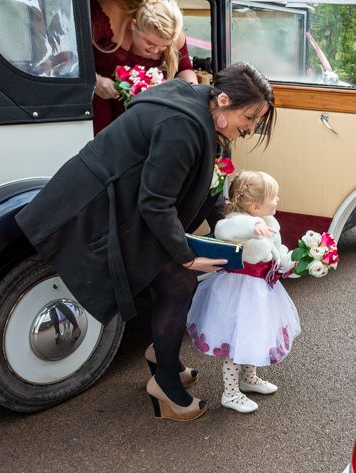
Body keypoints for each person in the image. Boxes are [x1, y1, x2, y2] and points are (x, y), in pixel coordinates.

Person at [15, 62, 276, 421]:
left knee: (170, 282)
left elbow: (197, 189)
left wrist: (235, 226)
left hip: (124, 203)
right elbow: (156, 202)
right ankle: (164, 381)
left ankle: (162, 357)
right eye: (249, 118)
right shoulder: (184, 127)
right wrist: (187, 256)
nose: (250, 128)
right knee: (179, 282)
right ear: (225, 100)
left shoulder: (200, 102)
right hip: (94, 206)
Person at [187, 171, 301, 414]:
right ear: (255, 205)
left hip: (262, 290)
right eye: (274, 196)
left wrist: (297, 261)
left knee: (253, 335)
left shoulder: (270, 223)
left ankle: (249, 378)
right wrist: (253, 225)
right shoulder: (239, 221)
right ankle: (230, 392)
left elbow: (277, 252)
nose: (278, 199)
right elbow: (225, 229)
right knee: (238, 339)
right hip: (239, 291)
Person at [91, 0, 197, 134]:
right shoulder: (105, 17)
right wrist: (95, 81)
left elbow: (185, 69)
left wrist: (192, 98)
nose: (155, 51)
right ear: (133, 24)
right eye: (149, 43)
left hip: (143, 110)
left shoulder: (172, 33)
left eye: (163, 46)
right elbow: (66, 59)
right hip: (99, 102)